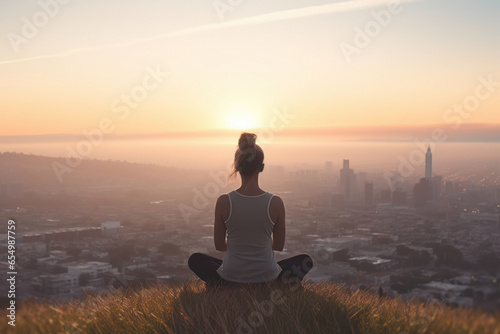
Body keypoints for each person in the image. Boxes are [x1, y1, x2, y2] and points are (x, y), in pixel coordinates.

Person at [188, 132, 313, 287]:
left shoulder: (224, 201)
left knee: (196, 259)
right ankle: (273, 285)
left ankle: (222, 285)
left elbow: (219, 246)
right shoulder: (275, 202)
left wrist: (240, 246)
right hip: (268, 276)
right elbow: (279, 246)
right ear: (261, 167)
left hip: (231, 277)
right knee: (304, 260)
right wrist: (257, 245)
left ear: (237, 167)